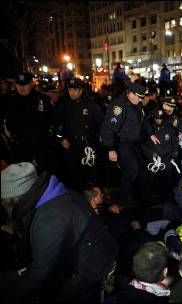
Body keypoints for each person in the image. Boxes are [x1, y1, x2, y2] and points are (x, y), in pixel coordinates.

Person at [0, 162, 117, 303]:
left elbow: (42, 270)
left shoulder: (51, 217)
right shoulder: (52, 193)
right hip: (83, 258)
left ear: (15, 200)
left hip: (91, 269)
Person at [100, 82, 147, 206]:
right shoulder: (119, 106)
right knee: (132, 169)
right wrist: (110, 148)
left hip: (134, 143)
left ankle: (136, 194)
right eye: (139, 96)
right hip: (122, 143)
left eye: (142, 97)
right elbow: (108, 128)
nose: (141, 99)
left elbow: (141, 123)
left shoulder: (137, 104)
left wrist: (150, 134)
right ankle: (123, 197)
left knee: (142, 167)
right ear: (130, 93)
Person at [54, 78, 104, 192]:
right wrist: (61, 139)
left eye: (75, 90)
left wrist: (101, 140)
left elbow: (102, 123)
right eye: (70, 89)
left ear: (81, 91)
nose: (73, 92)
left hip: (88, 145)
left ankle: (93, 203)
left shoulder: (91, 105)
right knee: (73, 176)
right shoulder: (63, 106)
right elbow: (57, 125)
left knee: (91, 176)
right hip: (71, 145)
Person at [4, 72, 54, 172]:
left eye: (25, 84)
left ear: (31, 83)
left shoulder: (42, 100)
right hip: (18, 148)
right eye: (19, 84)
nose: (22, 88)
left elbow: (52, 122)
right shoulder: (8, 100)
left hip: (39, 149)